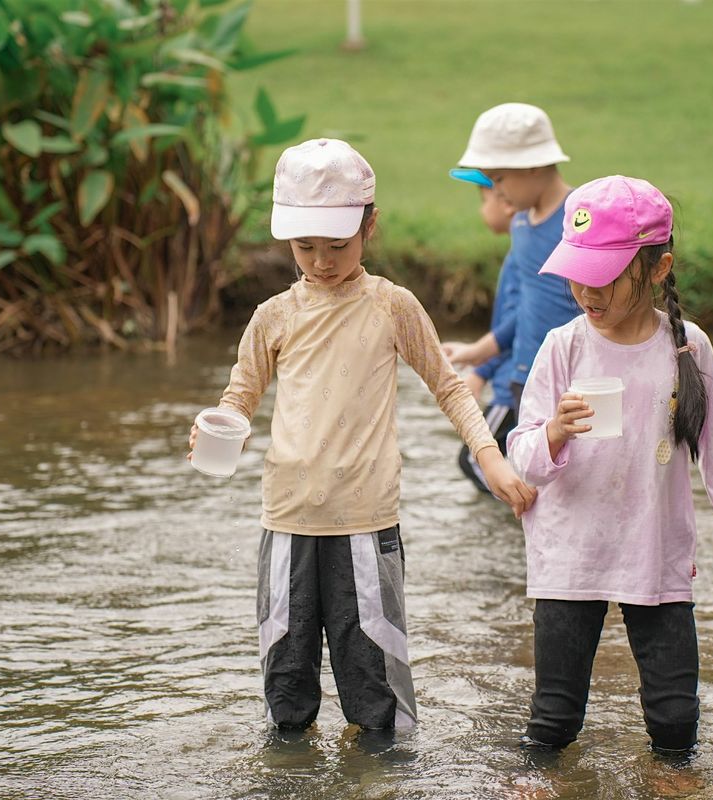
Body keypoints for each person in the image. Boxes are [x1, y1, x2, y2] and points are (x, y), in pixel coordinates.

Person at [187, 138, 536, 732]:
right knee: (286, 687)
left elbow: (450, 388)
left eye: (337, 245)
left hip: (365, 522)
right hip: (287, 518)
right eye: (305, 247)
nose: (321, 261)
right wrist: (222, 431)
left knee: (376, 692)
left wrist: (491, 456)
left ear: (370, 226)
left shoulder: (391, 306)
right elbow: (240, 397)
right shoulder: (273, 316)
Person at [505, 175, 713, 755]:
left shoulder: (688, 347)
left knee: (676, 719)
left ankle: (674, 781)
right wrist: (553, 432)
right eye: (577, 273)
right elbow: (522, 456)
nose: (586, 292)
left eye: (603, 276)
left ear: (656, 268)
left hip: (656, 550)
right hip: (571, 553)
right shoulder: (564, 346)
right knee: (554, 718)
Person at [440, 103, 580, 418]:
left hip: (575, 380)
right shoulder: (519, 225)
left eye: (499, 178)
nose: (496, 191)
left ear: (532, 165)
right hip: (526, 379)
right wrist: (478, 353)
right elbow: (527, 310)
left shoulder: (579, 217)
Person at [443, 166, 518, 492]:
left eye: (483, 198)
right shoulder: (520, 253)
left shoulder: (522, 259)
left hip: (513, 385)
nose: (481, 208)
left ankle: (525, 518)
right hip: (512, 378)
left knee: (473, 459)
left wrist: (480, 366)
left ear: (506, 201)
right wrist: (481, 370)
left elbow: (518, 324)